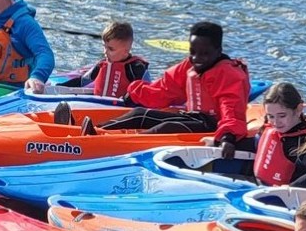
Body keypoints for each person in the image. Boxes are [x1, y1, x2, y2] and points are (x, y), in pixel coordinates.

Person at [88, 21, 250, 149]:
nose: (197, 58)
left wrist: (228, 137)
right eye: (193, 52)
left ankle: (112, 144)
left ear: (218, 50)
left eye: (204, 53)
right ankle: (93, 132)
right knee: (139, 114)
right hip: (193, 117)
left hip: (214, 127)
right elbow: (163, 90)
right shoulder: (190, 66)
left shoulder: (230, 75)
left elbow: (232, 111)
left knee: (166, 127)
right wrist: (135, 92)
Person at [211, 82, 306, 186]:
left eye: (282, 116)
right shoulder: (270, 131)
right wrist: (224, 141)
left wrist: (290, 188)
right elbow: (253, 144)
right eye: (271, 116)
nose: (276, 122)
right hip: (259, 186)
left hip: (286, 196)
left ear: (298, 109)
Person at [54, 21, 150, 118]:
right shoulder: (102, 65)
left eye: (111, 49)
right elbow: (82, 81)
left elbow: (146, 93)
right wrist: (58, 88)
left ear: (126, 50)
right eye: (104, 47)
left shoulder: (136, 68)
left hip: (122, 113)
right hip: (98, 108)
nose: (105, 52)